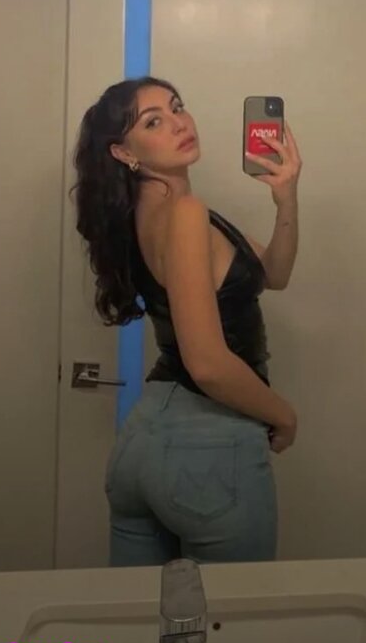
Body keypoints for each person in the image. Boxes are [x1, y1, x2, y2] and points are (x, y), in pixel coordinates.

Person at [71, 76, 301, 566]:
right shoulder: (186, 213)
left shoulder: (154, 215)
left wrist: (286, 198)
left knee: (141, 611)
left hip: (142, 443)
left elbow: (274, 274)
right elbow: (208, 364)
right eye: (153, 122)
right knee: (232, 610)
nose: (178, 123)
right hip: (207, 445)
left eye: (176, 107)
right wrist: (284, 416)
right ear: (124, 153)